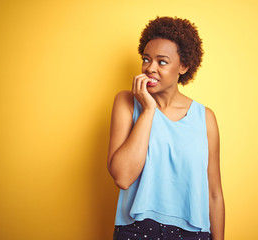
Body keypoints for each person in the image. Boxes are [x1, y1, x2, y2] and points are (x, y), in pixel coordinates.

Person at [107, 16, 225, 240]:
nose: (150, 68)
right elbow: (122, 177)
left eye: (162, 62)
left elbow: (214, 194)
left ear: (183, 66)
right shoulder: (126, 103)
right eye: (146, 59)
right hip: (136, 230)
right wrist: (149, 110)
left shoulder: (205, 118)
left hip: (193, 234)